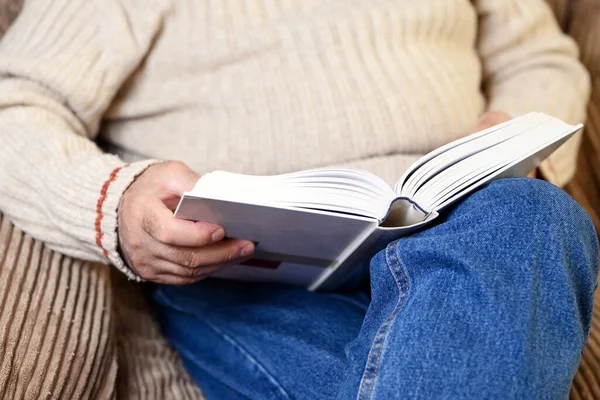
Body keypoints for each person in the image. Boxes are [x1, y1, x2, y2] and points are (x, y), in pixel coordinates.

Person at [0, 0, 597, 398]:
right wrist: (114, 203)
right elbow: (15, 104)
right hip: (243, 262)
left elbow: (539, 59)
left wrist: (505, 132)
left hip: (456, 219)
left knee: (531, 214)